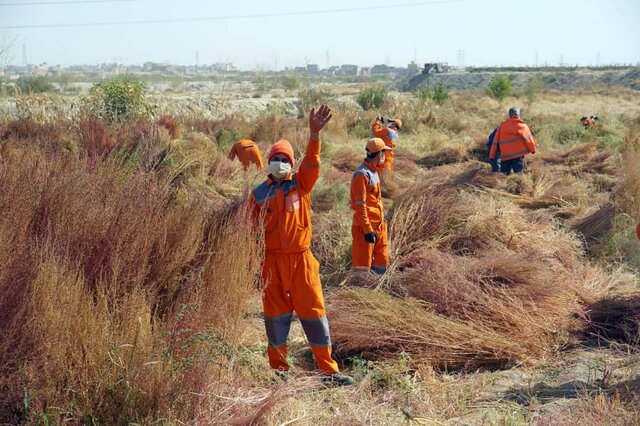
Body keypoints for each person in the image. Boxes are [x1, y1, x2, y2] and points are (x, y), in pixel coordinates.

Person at [250, 105, 355, 386]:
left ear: (292, 163)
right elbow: (250, 232)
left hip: (301, 262)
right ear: (269, 161)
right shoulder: (259, 194)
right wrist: (252, 266)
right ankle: (279, 374)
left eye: (285, 159)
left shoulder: (301, 185)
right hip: (270, 263)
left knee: (314, 316)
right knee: (275, 319)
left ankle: (328, 373)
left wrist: (314, 134)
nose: (281, 162)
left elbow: (312, 161)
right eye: (276, 158)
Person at [350, 138, 390, 274]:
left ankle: (376, 289)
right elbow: (360, 205)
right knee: (362, 268)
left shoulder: (373, 171)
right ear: (379, 154)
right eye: (384, 153)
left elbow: (375, 201)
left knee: (381, 264)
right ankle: (361, 292)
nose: (385, 156)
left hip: (378, 226)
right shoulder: (362, 175)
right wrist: (367, 230)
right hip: (365, 229)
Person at [489, 107, 537, 175]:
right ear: (518, 115)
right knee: (519, 175)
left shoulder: (502, 125)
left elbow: (495, 142)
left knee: (504, 175)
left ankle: (503, 185)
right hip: (518, 156)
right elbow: (529, 140)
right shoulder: (522, 126)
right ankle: (518, 185)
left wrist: (492, 155)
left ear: (510, 115)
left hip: (505, 156)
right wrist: (533, 149)